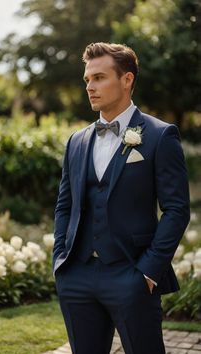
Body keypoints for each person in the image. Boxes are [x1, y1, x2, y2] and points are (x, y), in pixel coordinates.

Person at [53, 42, 190, 354]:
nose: (90, 87)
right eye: (87, 79)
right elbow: (65, 204)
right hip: (77, 276)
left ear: (127, 79)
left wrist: (148, 272)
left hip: (131, 275)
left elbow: (177, 209)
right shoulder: (77, 141)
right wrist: (60, 260)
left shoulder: (160, 135)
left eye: (99, 78)